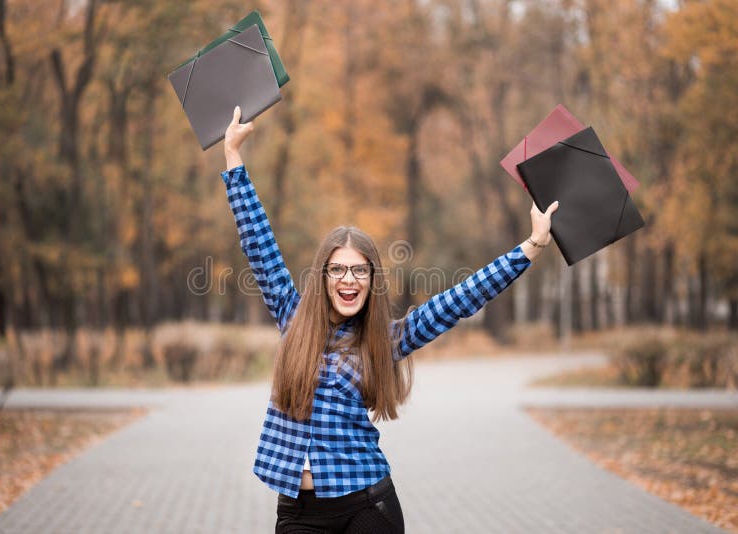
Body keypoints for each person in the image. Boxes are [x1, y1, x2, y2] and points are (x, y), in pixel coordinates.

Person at [221, 106, 559, 534]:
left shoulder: (385, 339)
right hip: (298, 512)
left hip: (367, 506)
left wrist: (530, 247)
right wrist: (233, 156)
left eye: (360, 270)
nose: (349, 279)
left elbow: (459, 299)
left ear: (371, 280)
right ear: (323, 276)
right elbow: (258, 241)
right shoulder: (291, 316)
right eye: (338, 269)